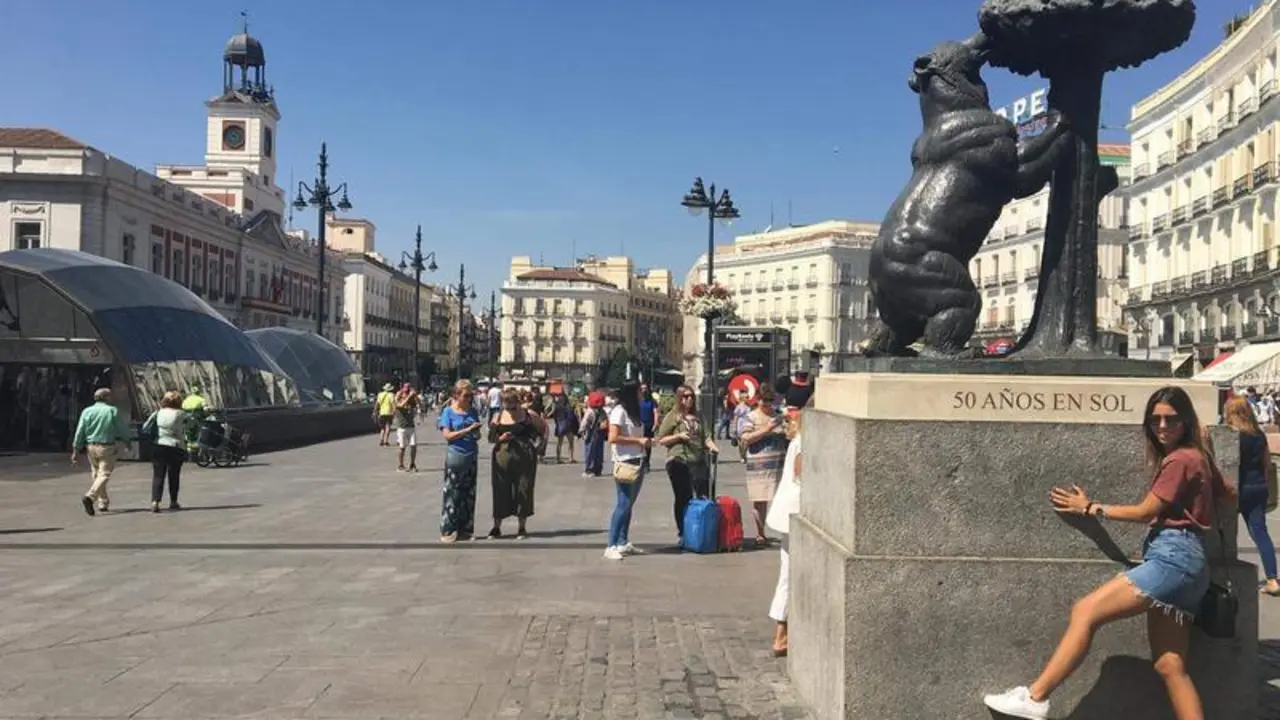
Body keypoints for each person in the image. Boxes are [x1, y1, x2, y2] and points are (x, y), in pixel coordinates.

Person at [984, 386, 1236, 720]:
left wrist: (1090, 507)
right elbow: (1230, 495)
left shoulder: (1179, 460)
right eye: (1155, 419)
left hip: (1171, 559)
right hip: (1192, 566)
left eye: (1171, 419)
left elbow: (1146, 512)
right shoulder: (1197, 457)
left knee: (1085, 611)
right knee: (1170, 666)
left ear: (1186, 420)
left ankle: (1035, 697)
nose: (1162, 426)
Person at [1223, 396, 1280, 596]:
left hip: (1236, 488)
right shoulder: (1259, 435)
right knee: (1260, 533)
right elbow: (1266, 465)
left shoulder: (1231, 435)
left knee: (1224, 529)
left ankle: (1223, 578)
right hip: (1258, 487)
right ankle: (1273, 579)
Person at [765, 399, 806, 657]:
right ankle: (781, 635)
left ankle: (785, 632)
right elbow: (801, 475)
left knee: (788, 573)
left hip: (789, 513)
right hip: (794, 512)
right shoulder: (803, 442)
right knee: (788, 575)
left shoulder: (798, 439)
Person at [655, 385, 718, 543]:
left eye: (691, 396)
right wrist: (679, 437)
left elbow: (707, 437)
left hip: (698, 460)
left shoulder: (698, 416)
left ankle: (700, 530)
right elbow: (661, 439)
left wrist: (712, 446)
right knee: (683, 496)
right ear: (679, 398)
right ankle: (683, 531)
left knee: (703, 495)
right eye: (685, 396)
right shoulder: (673, 416)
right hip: (678, 460)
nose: (689, 399)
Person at [605, 381, 651, 561]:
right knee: (622, 504)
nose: (643, 394)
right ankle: (611, 544)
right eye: (640, 391)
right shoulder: (619, 412)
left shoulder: (634, 412)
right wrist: (638, 441)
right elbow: (613, 437)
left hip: (638, 460)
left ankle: (623, 541)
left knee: (629, 504)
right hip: (624, 461)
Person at [488, 388, 542, 539]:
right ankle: (496, 526)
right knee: (500, 489)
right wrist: (500, 438)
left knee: (524, 488)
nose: (509, 408)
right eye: (506, 404)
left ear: (518, 402)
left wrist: (537, 446)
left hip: (524, 455)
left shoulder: (528, 415)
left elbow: (541, 431)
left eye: (512, 405)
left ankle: (522, 527)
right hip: (503, 454)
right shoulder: (497, 416)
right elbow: (491, 438)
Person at [738, 386, 788, 546]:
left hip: (778, 464)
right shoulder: (750, 417)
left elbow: (789, 434)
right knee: (759, 500)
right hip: (758, 466)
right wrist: (768, 429)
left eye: (770, 401)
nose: (767, 404)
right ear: (758, 400)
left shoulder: (779, 416)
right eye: (764, 400)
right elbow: (746, 438)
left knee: (780, 498)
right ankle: (760, 533)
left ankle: (783, 530)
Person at [71, 387, 132, 516]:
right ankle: (90, 496)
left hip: (91, 447)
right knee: (104, 474)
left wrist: (76, 449)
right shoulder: (111, 411)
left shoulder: (87, 411)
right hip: (106, 446)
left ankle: (103, 502)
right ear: (106, 398)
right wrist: (127, 441)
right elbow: (121, 428)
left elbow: (80, 430)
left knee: (95, 473)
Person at [438, 381, 482, 543]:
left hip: (471, 455)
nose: (469, 399)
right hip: (456, 456)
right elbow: (447, 436)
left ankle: (465, 529)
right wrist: (467, 430)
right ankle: (448, 529)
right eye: (466, 396)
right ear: (456, 395)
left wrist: (476, 432)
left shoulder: (473, 412)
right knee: (452, 494)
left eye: (471, 395)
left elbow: (477, 436)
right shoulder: (448, 412)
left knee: (468, 494)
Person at [141, 390, 192, 513]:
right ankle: (173, 501)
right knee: (174, 475)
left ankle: (155, 501)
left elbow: (145, 428)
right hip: (176, 446)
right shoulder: (181, 414)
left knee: (158, 475)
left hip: (159, 445)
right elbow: (191, 425)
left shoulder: (157, 413)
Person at [392, 383, 420, 472]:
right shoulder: (398, 400)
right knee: (402, 447)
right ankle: (400, 465)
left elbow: (420, 405)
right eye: (405, 392)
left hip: (411, 426)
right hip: (402, 427)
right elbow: (401, 405)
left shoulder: (411, 401)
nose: (406, 394)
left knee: (414, 446)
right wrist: (408, 397)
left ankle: (412, 464)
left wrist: (416, 396)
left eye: (408, 392)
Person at [580, 391, 608, 478]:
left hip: (591, 433)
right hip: (600, 433)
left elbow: (584, 423)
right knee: (599, 452)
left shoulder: (590, 411)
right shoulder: (603, 411)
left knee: (590, 452)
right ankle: (598, 469)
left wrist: (581, 431)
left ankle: (589, 470)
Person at [552, 394, 579, 463]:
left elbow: (554, 416)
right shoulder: (568, 406)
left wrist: (557, 423)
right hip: (568, 426)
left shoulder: (557, 406)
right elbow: (571, 417)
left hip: (560, 425)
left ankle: (558, 458)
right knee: (571, 442)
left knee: (559, 443)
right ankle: (571, 457)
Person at [639, 382, 659, 469]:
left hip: (649, 424)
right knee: (639, 444)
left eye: (645, 388)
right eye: (642, 388)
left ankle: (646, 463)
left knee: (648, 444)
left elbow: (655, 412)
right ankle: (640, 462)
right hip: (639, 424)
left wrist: (655, 423)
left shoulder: (652, 401)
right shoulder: (638, 400)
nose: (644, 390)